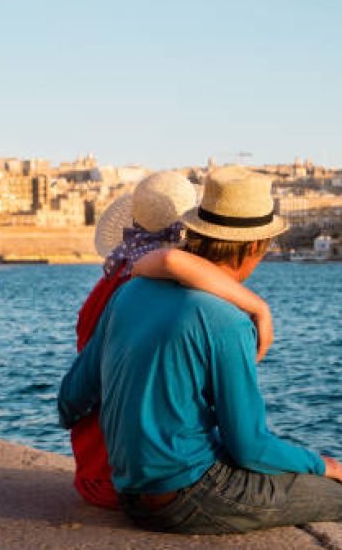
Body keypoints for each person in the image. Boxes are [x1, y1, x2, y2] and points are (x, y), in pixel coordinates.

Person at [59, 166, 342, 534]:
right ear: (258, 246)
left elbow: (69, 401)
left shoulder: (127, 292)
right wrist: (323, 464)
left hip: (126, 492)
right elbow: (250, 447)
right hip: (185, 496)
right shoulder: (228, 320)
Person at [72, 171, 275, 510]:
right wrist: (256, 306)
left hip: (93, 469)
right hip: (130, 477)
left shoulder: (109, 285)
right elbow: (169, 260)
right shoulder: (160, 295)